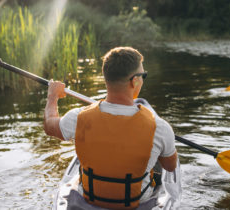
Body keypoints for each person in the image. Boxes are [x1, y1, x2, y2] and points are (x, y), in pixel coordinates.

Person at [44, 47, 178, 209]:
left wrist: (52, 96)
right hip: (136, 205)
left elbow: (50, 125)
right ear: (135, 80)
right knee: (156, 168)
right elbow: (170, 166)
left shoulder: (78, 117)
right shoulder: (160, 127)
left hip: (88, 202)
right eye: (143, 76)